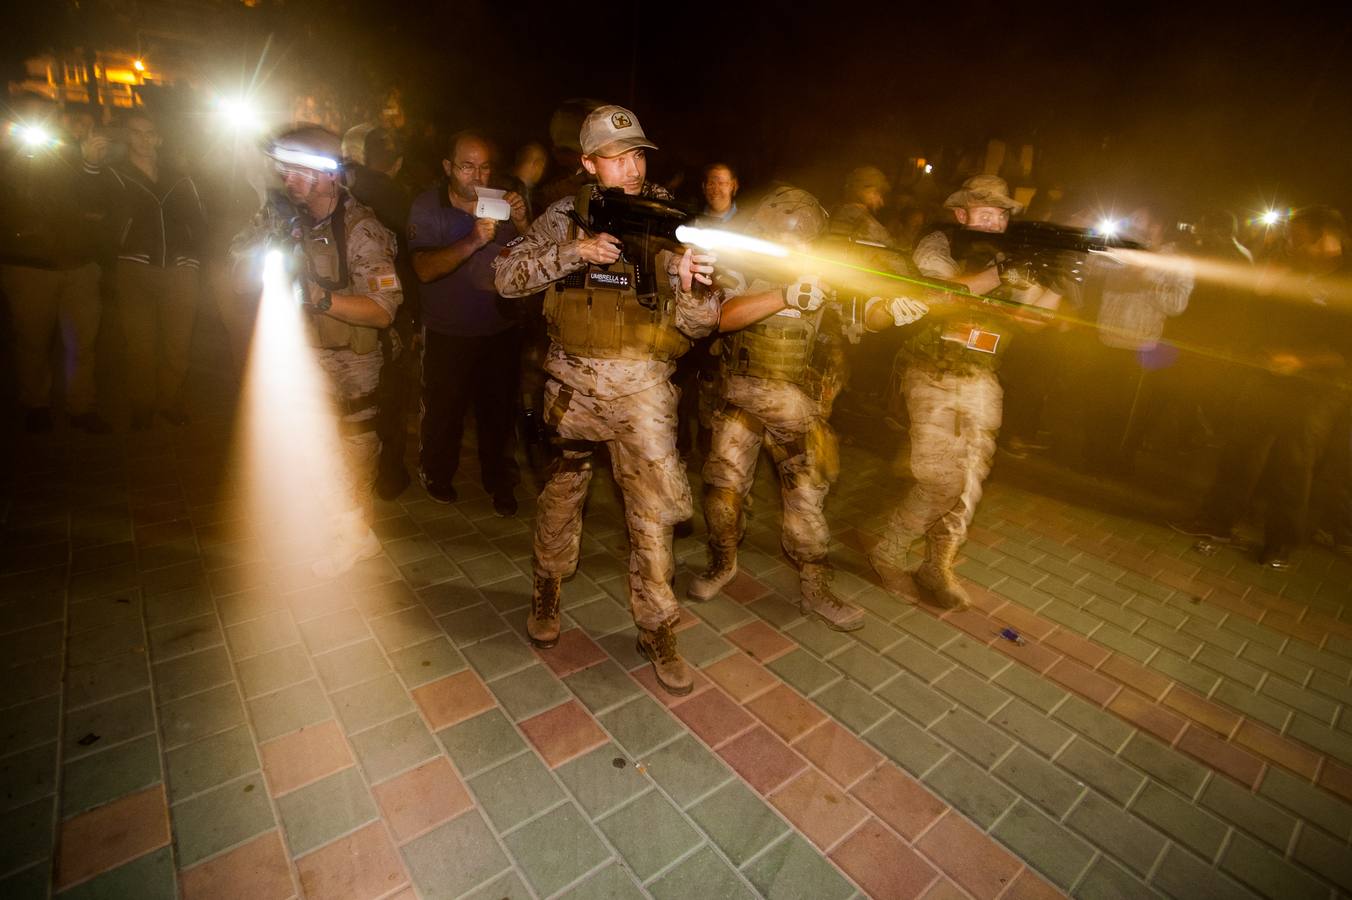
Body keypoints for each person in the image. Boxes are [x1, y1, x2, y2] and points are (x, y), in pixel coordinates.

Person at [494, 104, 719, 695]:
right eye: (618, 157)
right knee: (561, 498)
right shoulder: (563, 217)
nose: (633, 166)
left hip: (644, 392)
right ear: (591, 163)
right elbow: (505, 277)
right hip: (571, 388)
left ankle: (656, 626)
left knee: (652, 516)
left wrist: (697, 287)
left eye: (639, 154)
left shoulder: (670, 222)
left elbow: (700, 326)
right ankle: (547, 588)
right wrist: (577, 253)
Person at [690, 186, 930, 630]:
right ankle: (722, 562)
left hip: (797, 405)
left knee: (806, 501)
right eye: (784, 237)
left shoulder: (824, 272)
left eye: (802, 240)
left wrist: (892, 312)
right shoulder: (741, 264)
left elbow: (864, 310)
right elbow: (721, 317)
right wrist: (786, 294)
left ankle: (815, 586)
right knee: (723, 494)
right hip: (738, 398)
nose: (793, 247)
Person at [868, 175, 1060, 609]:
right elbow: (942, 294)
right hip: (932, 373)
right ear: (961, 213)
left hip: (981, 377)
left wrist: (1055, 284)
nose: (995, 218)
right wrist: (999, 272)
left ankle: (937, 563)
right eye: (985, 210)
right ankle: (889, 550)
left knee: (970, 481)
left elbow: (1035, 320)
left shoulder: (1005, 256)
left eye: (1002, 212)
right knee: (941, 479)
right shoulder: (939, 244)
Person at [230, 126, 403, 578]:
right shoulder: (284, 215)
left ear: (329, 175)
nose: (289, 178)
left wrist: (320, 299)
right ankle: (333, 527)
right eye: (285, 168)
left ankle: (354, 537)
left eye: (301, 170)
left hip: (353, 357)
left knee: (353, 449)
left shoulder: (362, 230)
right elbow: (236, 255)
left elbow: (384, 311)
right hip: (304, 352)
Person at [1173, 205, 1350, 569]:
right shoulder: (1294, 268)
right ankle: (1217, 522)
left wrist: (1302, 361)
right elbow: (1262, 316)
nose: (1290, 244)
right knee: (1241, 449)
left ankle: (1281, 542)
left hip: (1317, 388)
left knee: (1294, 464)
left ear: (1325, 239)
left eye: (1298, 238)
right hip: (1266, 374)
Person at [409, 131, 527, 515]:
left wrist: (525, 222)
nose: (478, 175)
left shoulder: (501, 204)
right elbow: (424, 270)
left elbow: (536, 255)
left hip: (499, 330)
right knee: (444, 411)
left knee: (498, 412)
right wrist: (473, 240)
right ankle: (437, 473)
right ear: (448, 167)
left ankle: (500, 482)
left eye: (485, 166)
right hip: (446, 331)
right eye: (467, 165)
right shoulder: (427, 207)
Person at [0, 98, 117, 434]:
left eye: (49, 115)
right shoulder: (10, 155)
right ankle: (35, 403)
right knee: (32, 340)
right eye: (34, 116)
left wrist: (91, 165)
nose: (44, 122)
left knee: (84, 340)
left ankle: (82, 405)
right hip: (30, 265)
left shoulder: (71, 155)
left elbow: (98, 206)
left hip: (79, 264)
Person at [98, 111, 207, 429]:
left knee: (178, 343)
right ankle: (141, 405)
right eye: (136, 132)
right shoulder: (114, 174)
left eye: (149, 132)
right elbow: (97, 213)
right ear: (126, 136)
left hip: (180, 270)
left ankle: (169, 401)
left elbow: (199, 220)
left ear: (158, 137)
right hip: (135, 269)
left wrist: (194, 256)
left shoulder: (180, 175)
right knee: (140, 344)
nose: (144, 139)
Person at [1079, 204, 1194, 474]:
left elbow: (1176, 305)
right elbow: (1090, 268)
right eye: (1132, 221)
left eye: (1142, 222)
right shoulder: (1123, 250)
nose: (1135, 227)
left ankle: (1114, 462)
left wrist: (1147, 277)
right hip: (1105, 337)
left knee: (1125, 411)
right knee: (1097, 402)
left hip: (1140, 345)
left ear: (1160, 225)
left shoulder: (1178, 261)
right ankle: (1090, 457)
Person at [348, 127, 418, 501]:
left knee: (356, 397)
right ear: (398, 163)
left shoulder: (347, 191)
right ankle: (388, 476)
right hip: (389, 311)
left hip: (349, 311)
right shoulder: (403, 200)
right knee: (391, 394)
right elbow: (410, 260)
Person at [830, 165, 893, 245]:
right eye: (877, 193)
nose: (881, 202)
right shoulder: (875, 230)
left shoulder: (829, 213)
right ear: (863, 190)